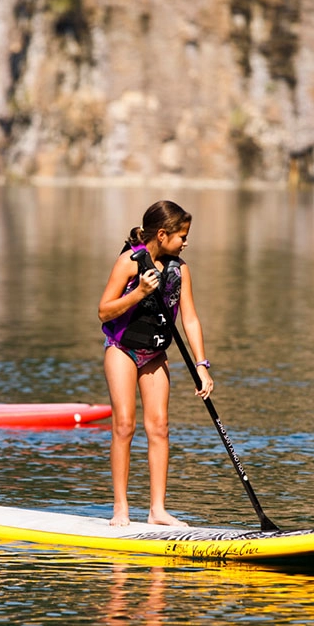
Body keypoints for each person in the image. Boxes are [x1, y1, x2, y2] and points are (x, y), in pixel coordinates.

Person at [98, 200, 214, 527]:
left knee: (159, 427)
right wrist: (138, 293)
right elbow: (104, 311)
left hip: (155, 355)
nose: (186, 242)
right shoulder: (129, 263)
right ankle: (121, 508)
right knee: (124, 425)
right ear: (162, 235)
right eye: (181, 236)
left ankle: (157, 510)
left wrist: (201, 365)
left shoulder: (181, 270)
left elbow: (189, 319)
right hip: (122, 349)